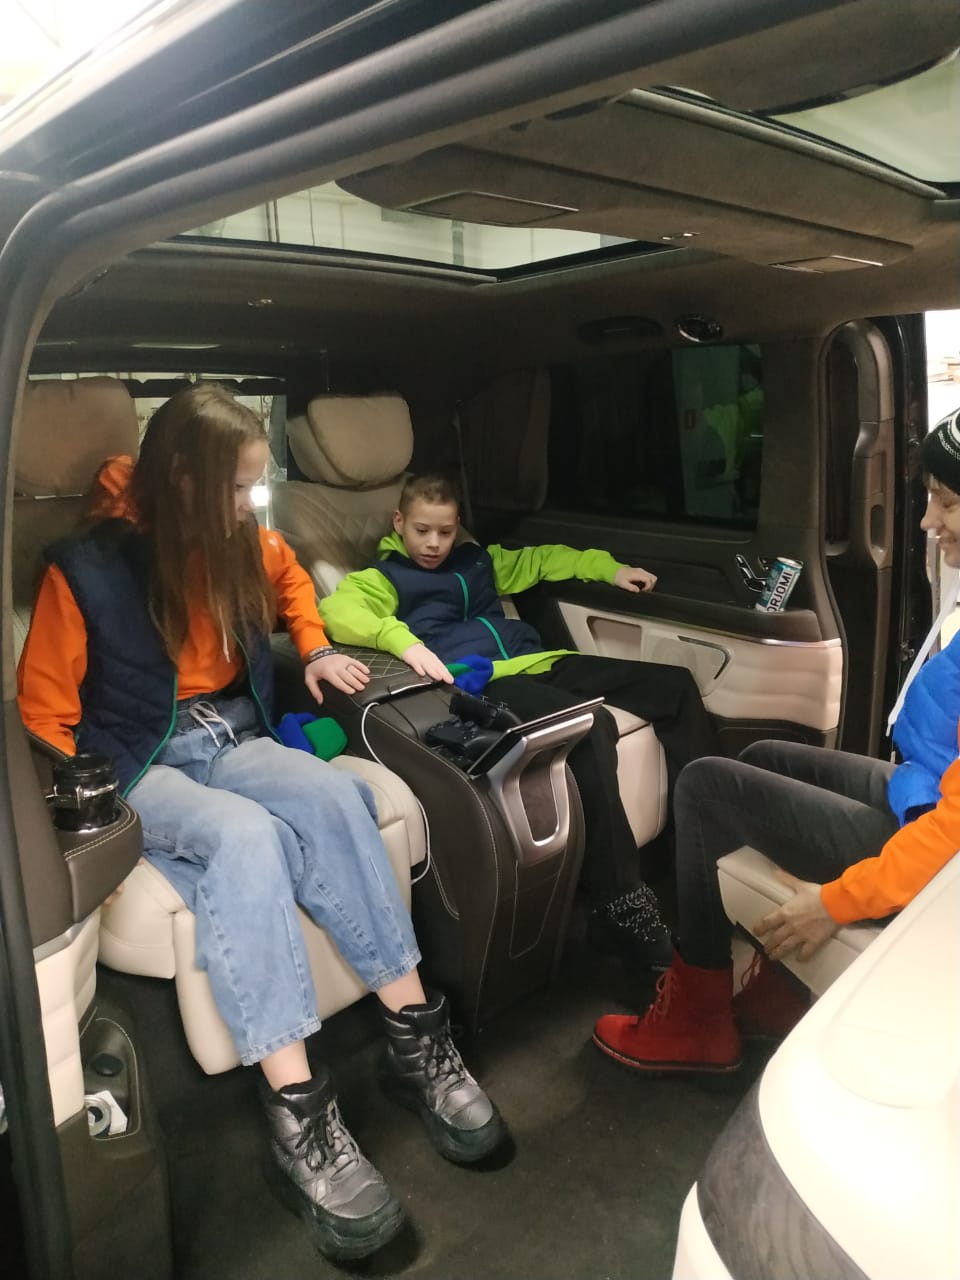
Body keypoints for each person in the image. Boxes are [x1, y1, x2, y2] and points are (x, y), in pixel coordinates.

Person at [16, 386, 506, 1263]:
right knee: (247, 839)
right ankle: (299, 1117)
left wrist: (313, 646)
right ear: (183, 477)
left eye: (254, 487)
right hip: (141, 758)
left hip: (232, 731)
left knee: (336, 799)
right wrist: (72, 815)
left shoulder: (248, 540)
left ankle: (418, 1045)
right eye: (238, 487)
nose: (250, 504)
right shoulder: (84, 569)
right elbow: (44, 716)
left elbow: (289, 580)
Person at [592, 406, 960, 1075]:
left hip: (939, 860)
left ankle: (697, 1022)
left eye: (948, 503)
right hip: (929, 797)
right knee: (762, 759)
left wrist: (836, 901)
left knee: (704, 786)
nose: (926, 522)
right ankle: (778, 991)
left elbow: (953, 834)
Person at [319, 472, 721, 969]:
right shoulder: (384, 578)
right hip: (481, 680)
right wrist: (405, 644)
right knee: (592, 724)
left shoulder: (477, 561)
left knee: (675, 686)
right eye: (422, 530)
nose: (434, 543)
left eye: (445, 531)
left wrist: (610, 570)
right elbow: (339, 610)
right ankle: (620, 907)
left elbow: (544, 559)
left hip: (540, 660)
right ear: (399, 522)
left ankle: (709, 858)